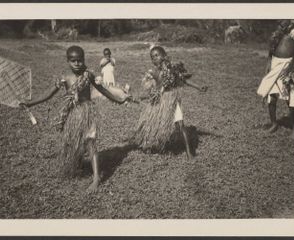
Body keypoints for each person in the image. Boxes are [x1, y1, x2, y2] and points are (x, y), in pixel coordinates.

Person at [20, 46, 131, 192]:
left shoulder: (88, 75)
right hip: (73, 115)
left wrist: (120, 100)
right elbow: (49, 94)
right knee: (74, 143)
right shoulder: (64, 78)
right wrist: (31, 102)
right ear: (68, 61)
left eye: (80, 60)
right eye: (73, 61)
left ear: (83, 60)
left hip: (87, 114)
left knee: (91, 144)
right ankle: (77, 165)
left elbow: (103, 90)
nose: (77, 63)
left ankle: (96, 177)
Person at [130, 46, 207, 160]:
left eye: (157, 55)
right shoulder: (153, 72)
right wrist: (141, 97)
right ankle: (146, 144)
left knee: (180, 125)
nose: (154, 59)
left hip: (171, 100)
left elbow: (183, 80)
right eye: (152, 57)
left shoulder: (172, 70)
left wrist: (198, 87)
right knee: (149, 124)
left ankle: (189, 153)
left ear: (164, 55)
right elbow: (154, 90)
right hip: (159, 101)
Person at [257, 20, 294, 138]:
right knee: (272, 96)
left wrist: (291, 68)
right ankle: (274, 123)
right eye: (281, 23)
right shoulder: (277, 35)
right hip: (274, 65)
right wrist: (268, 64)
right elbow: (271, 51)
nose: (282, 25)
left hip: (287, 67)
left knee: (291, 98)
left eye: (285, 23)